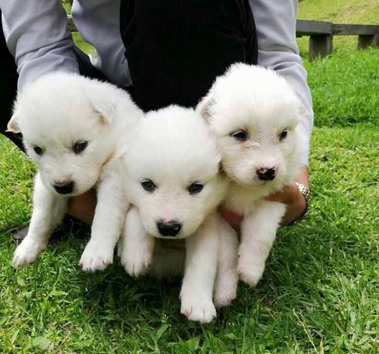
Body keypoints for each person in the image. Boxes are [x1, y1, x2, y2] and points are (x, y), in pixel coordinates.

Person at [0, 0, 312, 229]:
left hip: (202, 85)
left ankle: (205, 202)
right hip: (112, 98)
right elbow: (40, 49)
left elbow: (278, 57)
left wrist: (296, 186)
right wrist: (68, 169)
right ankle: (93, 207)